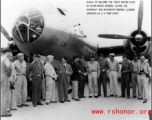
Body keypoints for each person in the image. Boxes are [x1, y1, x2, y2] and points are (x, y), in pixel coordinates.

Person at [1, 52, 13, 117]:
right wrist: (9, 74)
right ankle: (3, 112)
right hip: (4, 77)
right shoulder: (5, 59)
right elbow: (8, 67)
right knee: (4, 95)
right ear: (6, 53)